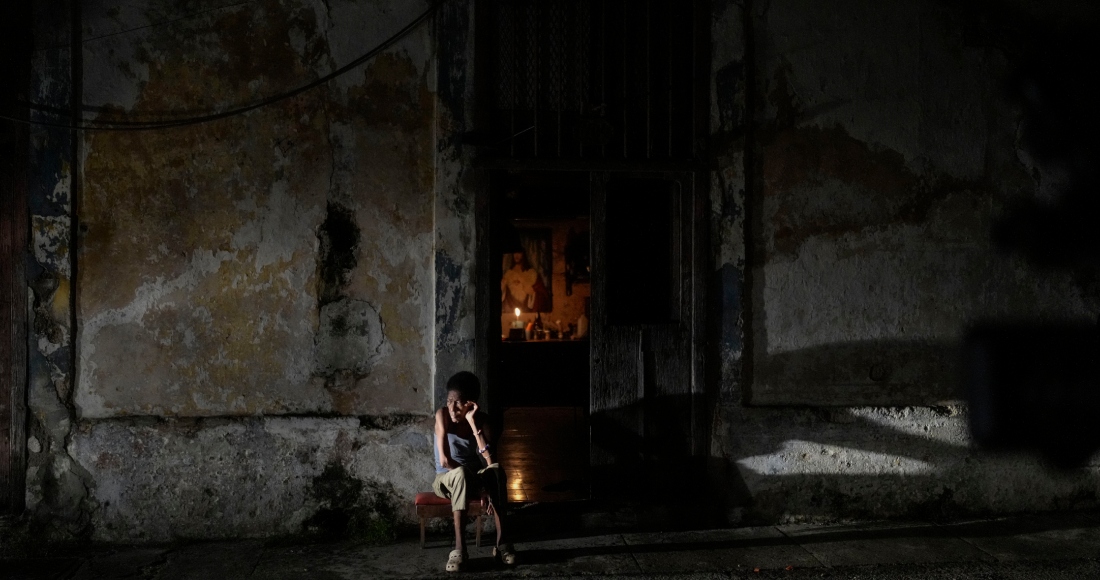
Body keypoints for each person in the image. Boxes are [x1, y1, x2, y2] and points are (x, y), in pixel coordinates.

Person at [433, 371, 516, 572]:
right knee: (461, 474)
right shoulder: (442, 415)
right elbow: (445, 460)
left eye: (458, 403)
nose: (452, 408)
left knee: (497, 472)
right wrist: (481, 488)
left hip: (473, 478)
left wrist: (472, 423)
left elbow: (490, 461)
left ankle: (502, 544)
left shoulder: (482, 420)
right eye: (449, 401)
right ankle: (460, 549)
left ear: (471, 404)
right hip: (446, 478)